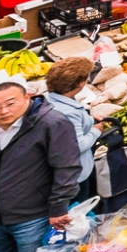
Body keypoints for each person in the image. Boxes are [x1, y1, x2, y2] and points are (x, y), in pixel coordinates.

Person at [0, 81, 83, 252]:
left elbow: (66, 168)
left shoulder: (52, 124)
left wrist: (58, 208)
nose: (3, 111)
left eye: (11, 103)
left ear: (27, 98)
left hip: (33, 219)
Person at [40, 58, 99, 195]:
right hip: (73, 177)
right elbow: (77, 146)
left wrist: (89, 120)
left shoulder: (47, 98)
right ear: (79, 83)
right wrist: (96, 131)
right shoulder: (69, 112)